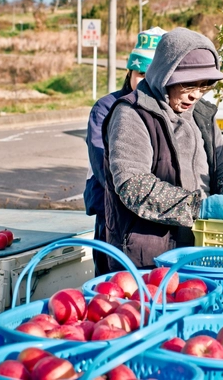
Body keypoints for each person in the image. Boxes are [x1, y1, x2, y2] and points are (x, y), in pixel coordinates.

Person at [102, 27, 223, 270]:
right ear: (165, 74)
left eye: (204, 86)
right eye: (187, 85)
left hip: (200, 250)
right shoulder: (132, 114)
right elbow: (133, 185)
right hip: (149, 259)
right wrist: (199, 207)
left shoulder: (203, 115)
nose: (195, 95)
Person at [83, 27, 166, 276]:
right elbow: (103, 166)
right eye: (141, 73)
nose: (145, 81)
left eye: (153, 74)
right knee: (110, 286)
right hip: (112, 214)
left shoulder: (167, 112)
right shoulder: (106, 108)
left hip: (157, 217)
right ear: (130, 71)